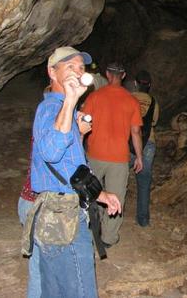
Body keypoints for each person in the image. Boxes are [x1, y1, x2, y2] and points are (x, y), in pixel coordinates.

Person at [26, 46, 121, 298]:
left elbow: (68, 168)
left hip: (62, 212)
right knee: (80, 290)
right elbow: (50, 152)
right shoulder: (51, 109)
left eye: (81, 67)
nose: (78, 72)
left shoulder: (68, 113)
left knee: (56, 290)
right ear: (52, 72)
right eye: (70, 66)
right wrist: (69, 100)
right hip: (62, 217)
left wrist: (100, 194)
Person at [82, 62, 143, 246]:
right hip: (118, 158)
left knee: (91, 194)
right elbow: (135, 132)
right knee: (116, 197)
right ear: (123, 75)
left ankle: (89, 232)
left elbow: (82, 126)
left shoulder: (94, 97)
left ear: (108, 75)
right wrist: (139, 156)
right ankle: (109, 237)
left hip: (95, 155)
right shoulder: (132, 101)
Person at [130, 70, 160, 226]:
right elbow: (154, 121)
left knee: (118, 179)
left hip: (127, 143)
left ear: (135, 83)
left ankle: (113, 215)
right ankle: (143, 219)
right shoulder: (153, 102)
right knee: (144, 181)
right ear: (149, 85)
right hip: (148, 142)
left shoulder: (128, 98)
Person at [18, 142, 40, 298]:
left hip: (31, 201)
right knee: (40, 267)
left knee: (40, 265)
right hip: (39, 205)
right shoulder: (55, 131)